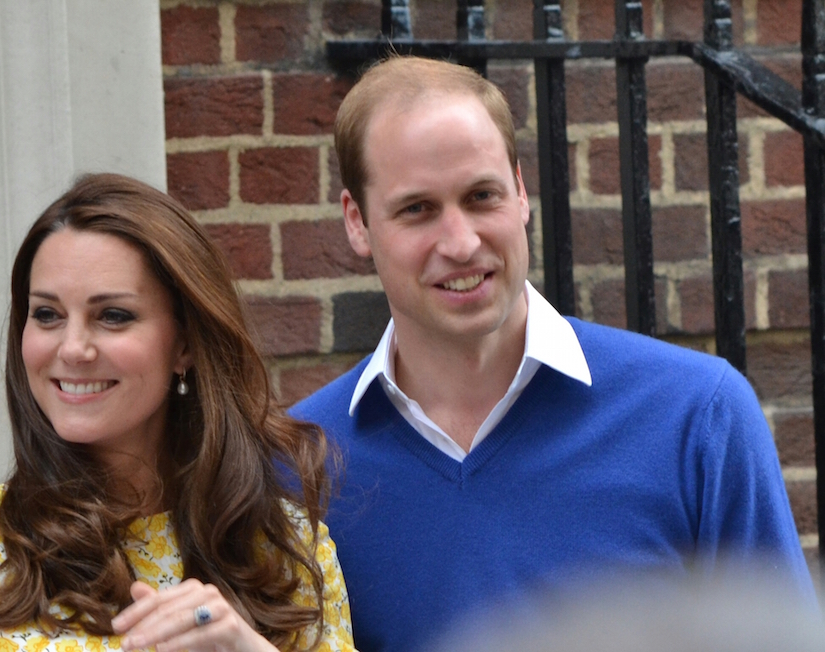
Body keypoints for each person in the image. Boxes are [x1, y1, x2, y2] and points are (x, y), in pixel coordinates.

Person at [290, 56, 817, 652]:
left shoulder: (698, 417)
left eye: (481, 195)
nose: (461, 243)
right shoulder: (295, 467)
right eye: (418, 209)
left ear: (520, 192)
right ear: (357, 222)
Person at [0, 174, 354, 652]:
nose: (72, 349)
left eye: (113, 315)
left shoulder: (287, 547)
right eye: (47, 314)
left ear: (186, 343)